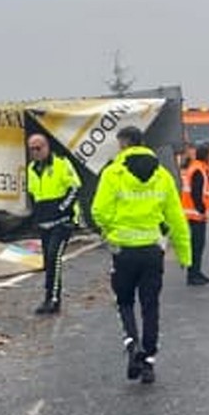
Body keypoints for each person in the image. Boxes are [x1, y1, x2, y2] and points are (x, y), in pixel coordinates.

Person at [91, 126, 192, 384]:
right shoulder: (162, 175)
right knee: (150, 306)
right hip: (152, 251)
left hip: (123, 251)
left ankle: (131, 344)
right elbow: (176, 217)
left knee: (124, 302)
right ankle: (148, 361)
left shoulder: (113, 172)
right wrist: (185, 254)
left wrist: (111, 231)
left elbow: (99, 211)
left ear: (124, 144)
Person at [26, 133, 82, 314]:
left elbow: (75, 188)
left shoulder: (61, 163)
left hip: (62, 221)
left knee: (54, 258)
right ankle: (49, 297)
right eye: (32, 149)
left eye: (38, 148)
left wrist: (63, 209)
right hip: (45, 223)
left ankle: (53, 299)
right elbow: (34, 195)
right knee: (47, 261)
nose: (35, 152)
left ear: (47, 147)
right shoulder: (31, 168)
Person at [181, 144, 209, 286]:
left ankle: (196, 272)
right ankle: (193, 275)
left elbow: (203, 193)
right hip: (195, 215)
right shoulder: (198, 170)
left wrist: (208, 208)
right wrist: (202, 210)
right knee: (197, 245)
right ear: (206, 155)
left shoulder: (197, 168)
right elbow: (196, 193)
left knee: (197, 245)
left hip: (194, 214)